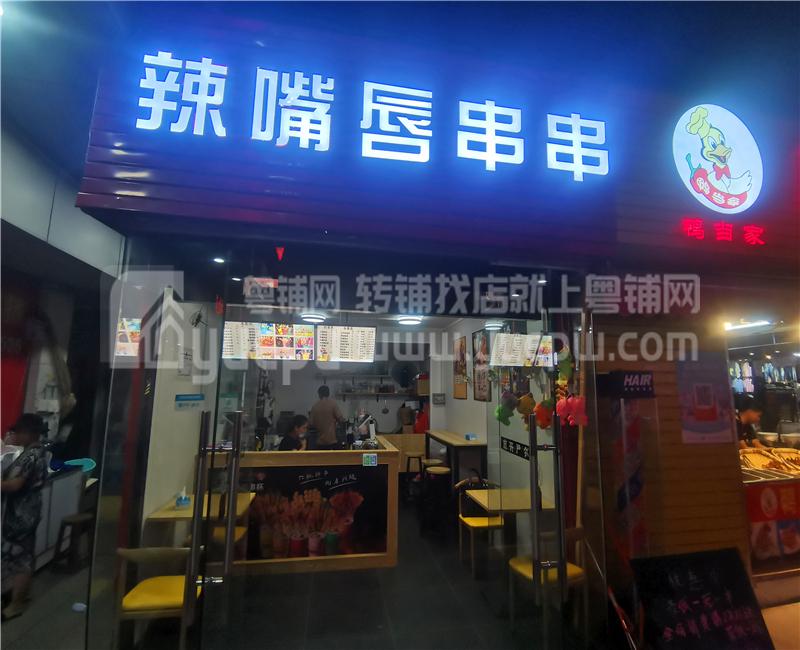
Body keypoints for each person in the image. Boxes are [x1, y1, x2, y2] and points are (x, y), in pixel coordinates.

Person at [1, 414, 50, 620]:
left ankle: (16, 605)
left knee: (21, 558)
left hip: (21, 514)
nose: (16, 435)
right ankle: (21, 595)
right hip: (29, 511)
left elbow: (15, 485)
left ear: (29, 433)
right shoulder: (38, 452)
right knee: (25, 554)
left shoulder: (30, 455)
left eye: (19, 432)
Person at [309, 385, 344, 450]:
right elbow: (341, 419)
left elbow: (311, 424)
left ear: (319, 394)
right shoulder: (333, 404)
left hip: (320, 442)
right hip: (332, 441)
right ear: (328, 393)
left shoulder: (315, 407)